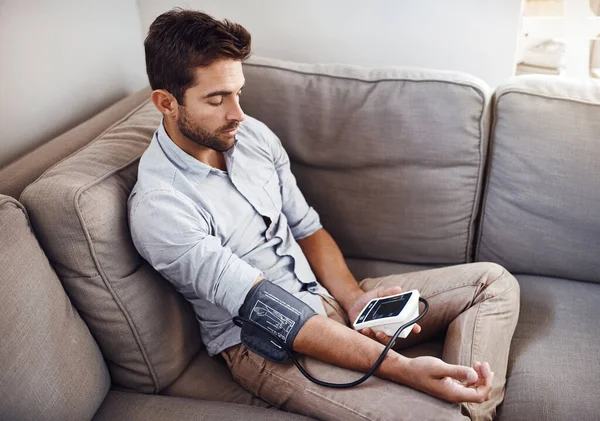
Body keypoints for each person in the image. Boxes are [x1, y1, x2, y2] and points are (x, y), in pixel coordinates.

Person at [128, 8, 520, 421]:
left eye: (238, 93)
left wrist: (353, 299)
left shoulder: (251, 136)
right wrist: (404, 369)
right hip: (267, 342)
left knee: (492, 282)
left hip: (324, 297)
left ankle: (469, 403)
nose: (237, 113)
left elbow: (306, 229)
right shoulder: (160, 206)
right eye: (216, 99)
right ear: (166, 103)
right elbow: (265, 304)